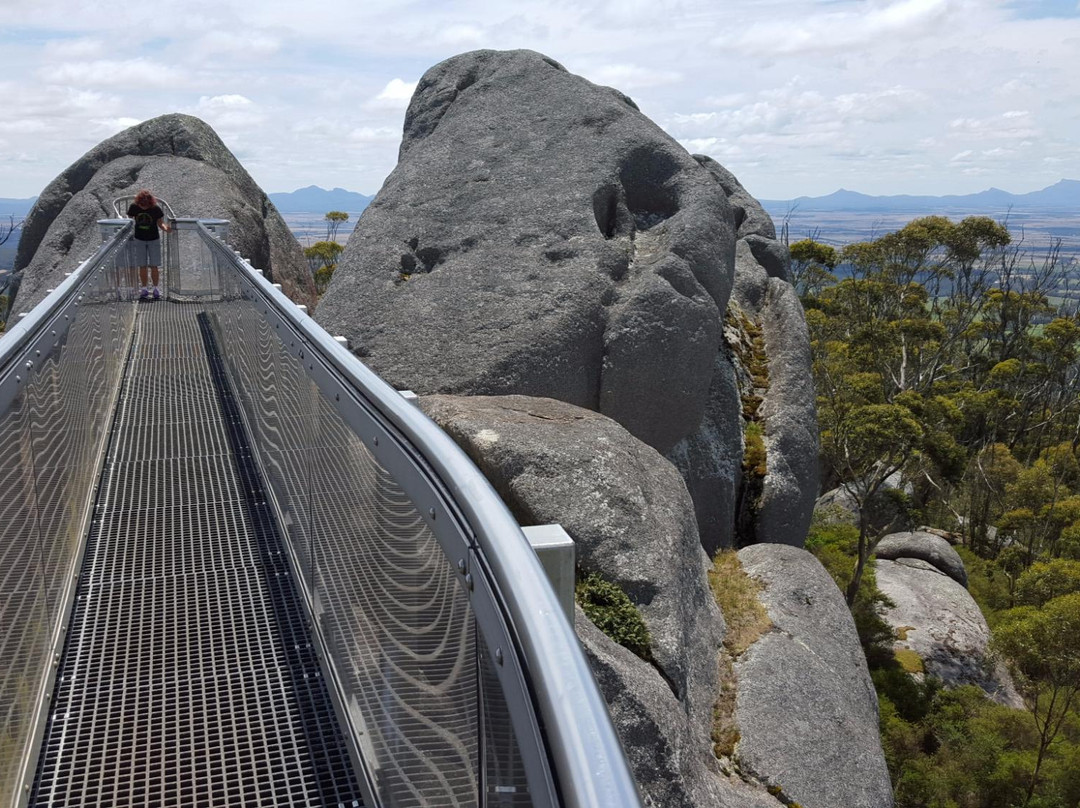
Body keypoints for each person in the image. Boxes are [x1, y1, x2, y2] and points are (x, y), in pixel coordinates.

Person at [127, 189, 170, 300]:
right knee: (142, 265)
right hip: (139, 239)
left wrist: (166, 228)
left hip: (153, 239)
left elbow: (160, 223)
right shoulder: (134, 207)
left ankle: (156, 288)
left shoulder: (155, 209)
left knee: (154, 265)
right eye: (142, 204)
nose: (144, 207)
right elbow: (129, 221)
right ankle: (144, 288)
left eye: (146, 204)